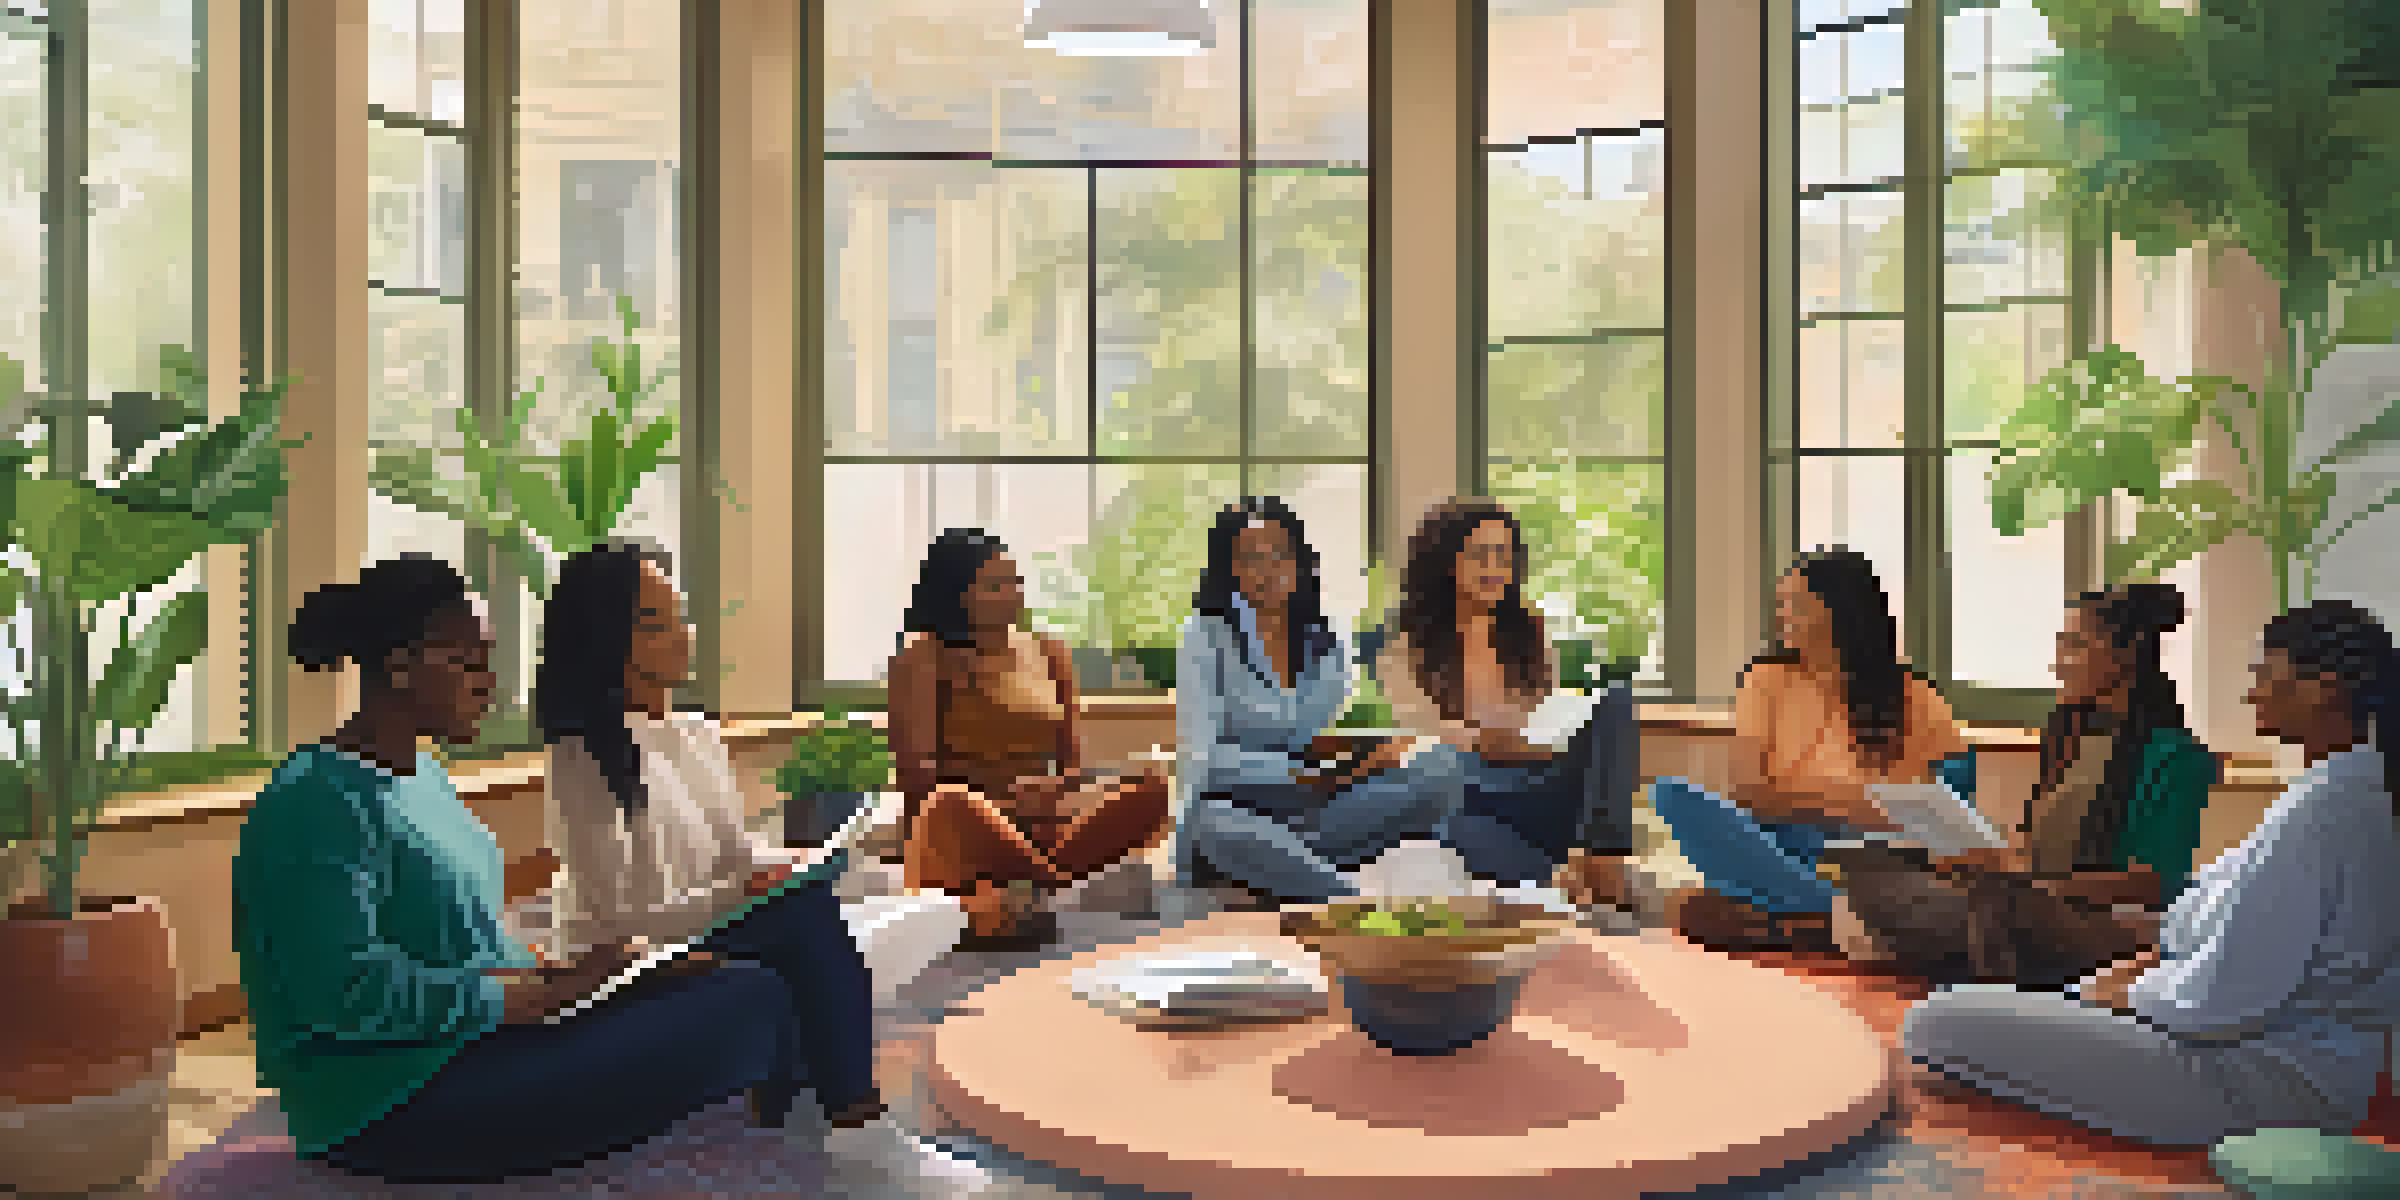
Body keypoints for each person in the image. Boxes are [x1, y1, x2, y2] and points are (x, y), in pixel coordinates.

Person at [231, 556, 813, 1185]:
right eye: (468, 661)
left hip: (482, 1043)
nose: (490, 683)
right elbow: (341, 996)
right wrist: (525, 997)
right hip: (390, 1101)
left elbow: (464, 940)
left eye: (491, 660)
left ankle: (789, 1147)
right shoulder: (315, 801)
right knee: (752, 1002)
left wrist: (573, 974)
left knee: (731, 983)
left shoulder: (424, 778)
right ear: (398, 666)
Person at [1902, 600, 2400, 1148]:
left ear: (2325, 688)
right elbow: (2205, 930)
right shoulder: (2339, 794)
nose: (2251, 692)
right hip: (2260, 1049)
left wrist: (2126, 993)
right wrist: (2126, 976)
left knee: (1938, 1021)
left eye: (2264, 673)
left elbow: (2230, 996)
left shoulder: (2327, 808)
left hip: (2261, 1078)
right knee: (1989, 1002)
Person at [537, 540, 881, 1129]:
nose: (682, 635)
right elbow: (624, 917)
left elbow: (734, 853)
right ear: (609, 641)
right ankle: (853, 1109)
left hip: (703, 928)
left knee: (805, 905)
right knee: (801, 920)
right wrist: (745, 894)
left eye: (680, 617)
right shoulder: (583, 755)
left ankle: (820, 1102)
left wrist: (790, 862)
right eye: (656, 624)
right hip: (629, 956)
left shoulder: (696, 734)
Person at [1828, 583, 2218, 986]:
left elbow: (2154, 883)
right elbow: (2032, 848)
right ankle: (1974, 940)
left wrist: (2033, 886)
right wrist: (1986, 859)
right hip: (2027, 904)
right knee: (1875, 861)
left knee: (1996, 906)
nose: (2058, 664)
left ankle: (1971, 947)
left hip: (2103, 925)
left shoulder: (2178, 758)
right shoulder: (2068, 741)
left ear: (2124, 656)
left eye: (2075, 647)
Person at [1651, 548, 1971, 952]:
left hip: (1866, 858)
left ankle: (1800, 913)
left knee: (1710, 902)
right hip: (1780, 844)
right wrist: (1846, 800)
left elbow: (1937, 814)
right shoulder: (1765, 680)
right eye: (1783, 605)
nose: (1783, 617)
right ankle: (1838, 914)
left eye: (1796, 605)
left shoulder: (1911, 695)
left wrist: (1813, 801)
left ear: (1839, 612)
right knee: (1673, 795)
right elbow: (1750, 796)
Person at [887, 528, 1172, 944]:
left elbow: (1073, 764)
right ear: (957, 593)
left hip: (1044, 821)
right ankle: (1053, 884)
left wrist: (1056, 789)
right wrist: (1003, 801)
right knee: (950, 804)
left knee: (1150, 787)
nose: (1013, 595)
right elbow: (915, 776)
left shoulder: (1050, 651)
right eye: (995, 586)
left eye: (1016, 583)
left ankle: (1033, 884)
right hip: (969, 826)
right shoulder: (924, 654)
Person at [1175, 497, 1456, 903]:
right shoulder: (1204, 636)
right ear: (1230, 571)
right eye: (1251, 557)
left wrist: (1365, 753)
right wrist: (1301, 773)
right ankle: (1347, 900)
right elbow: (1203, 761)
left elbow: (1310, 740)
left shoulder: (1329, 642)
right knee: (1210, 824)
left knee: (1441, 769)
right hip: (1236, 808)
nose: (1269, 569)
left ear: (1301, 561)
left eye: (1280, 554)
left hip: (1311, 814)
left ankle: (1280, 867)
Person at [1375, 497, 1640, 907]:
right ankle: (1561, 882)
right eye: (1480, 554)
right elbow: (1422, 740)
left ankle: (1606, 858)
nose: (1495, 568)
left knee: (1619, 700)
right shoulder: (1406, 646)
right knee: (1444, 804)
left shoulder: (1531, 630)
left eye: (1504, 555)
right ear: (1445, 562)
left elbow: (1547, 720)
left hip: (1540, 783)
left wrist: (1538, 743)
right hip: (1473, 794)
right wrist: (1490, 743)